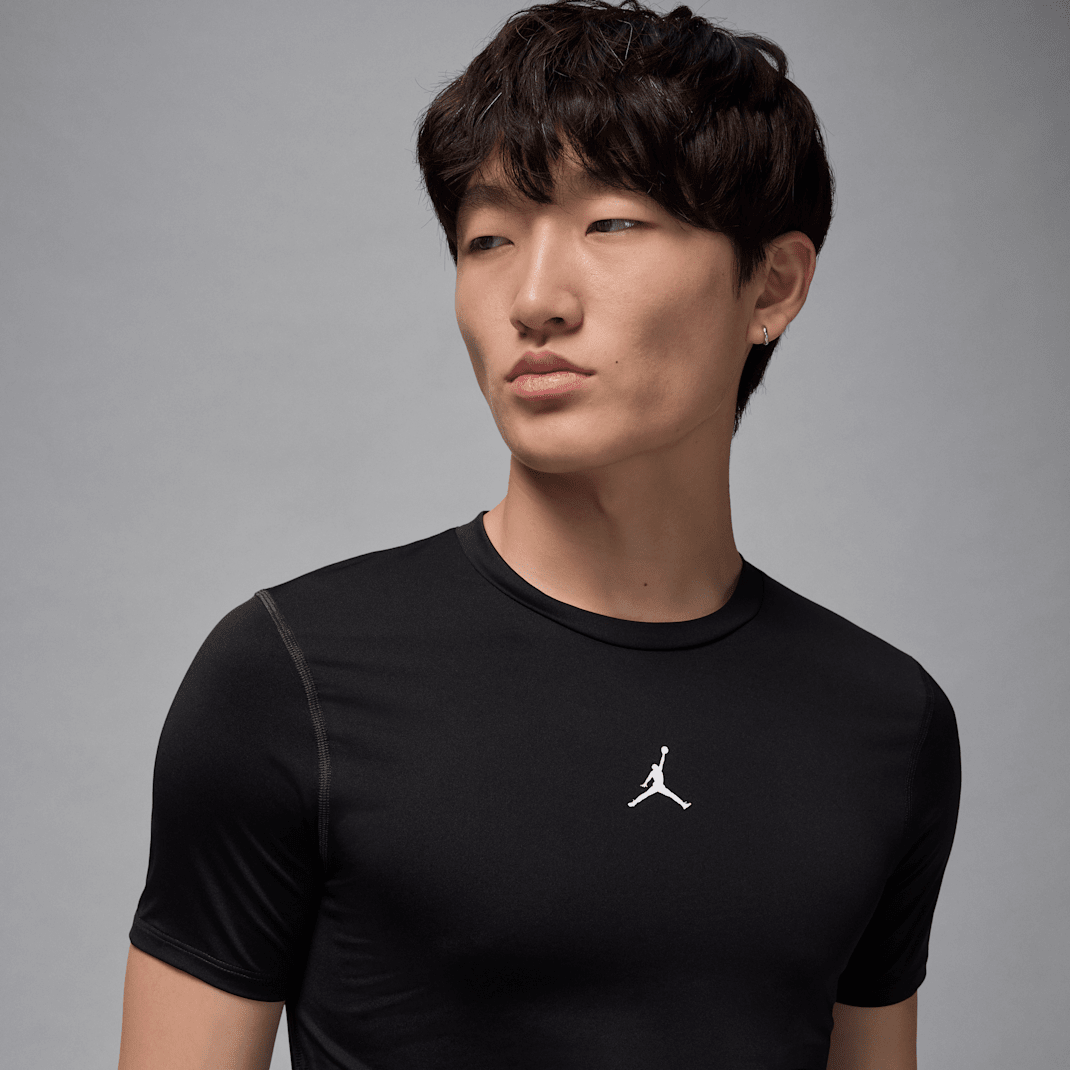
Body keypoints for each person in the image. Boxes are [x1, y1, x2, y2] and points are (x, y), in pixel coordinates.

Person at [118, 2, 961, 1067]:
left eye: (611, 224)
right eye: (488, 238)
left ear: (773, 283)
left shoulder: (885, 723)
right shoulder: (290, 679)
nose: (533, 298)